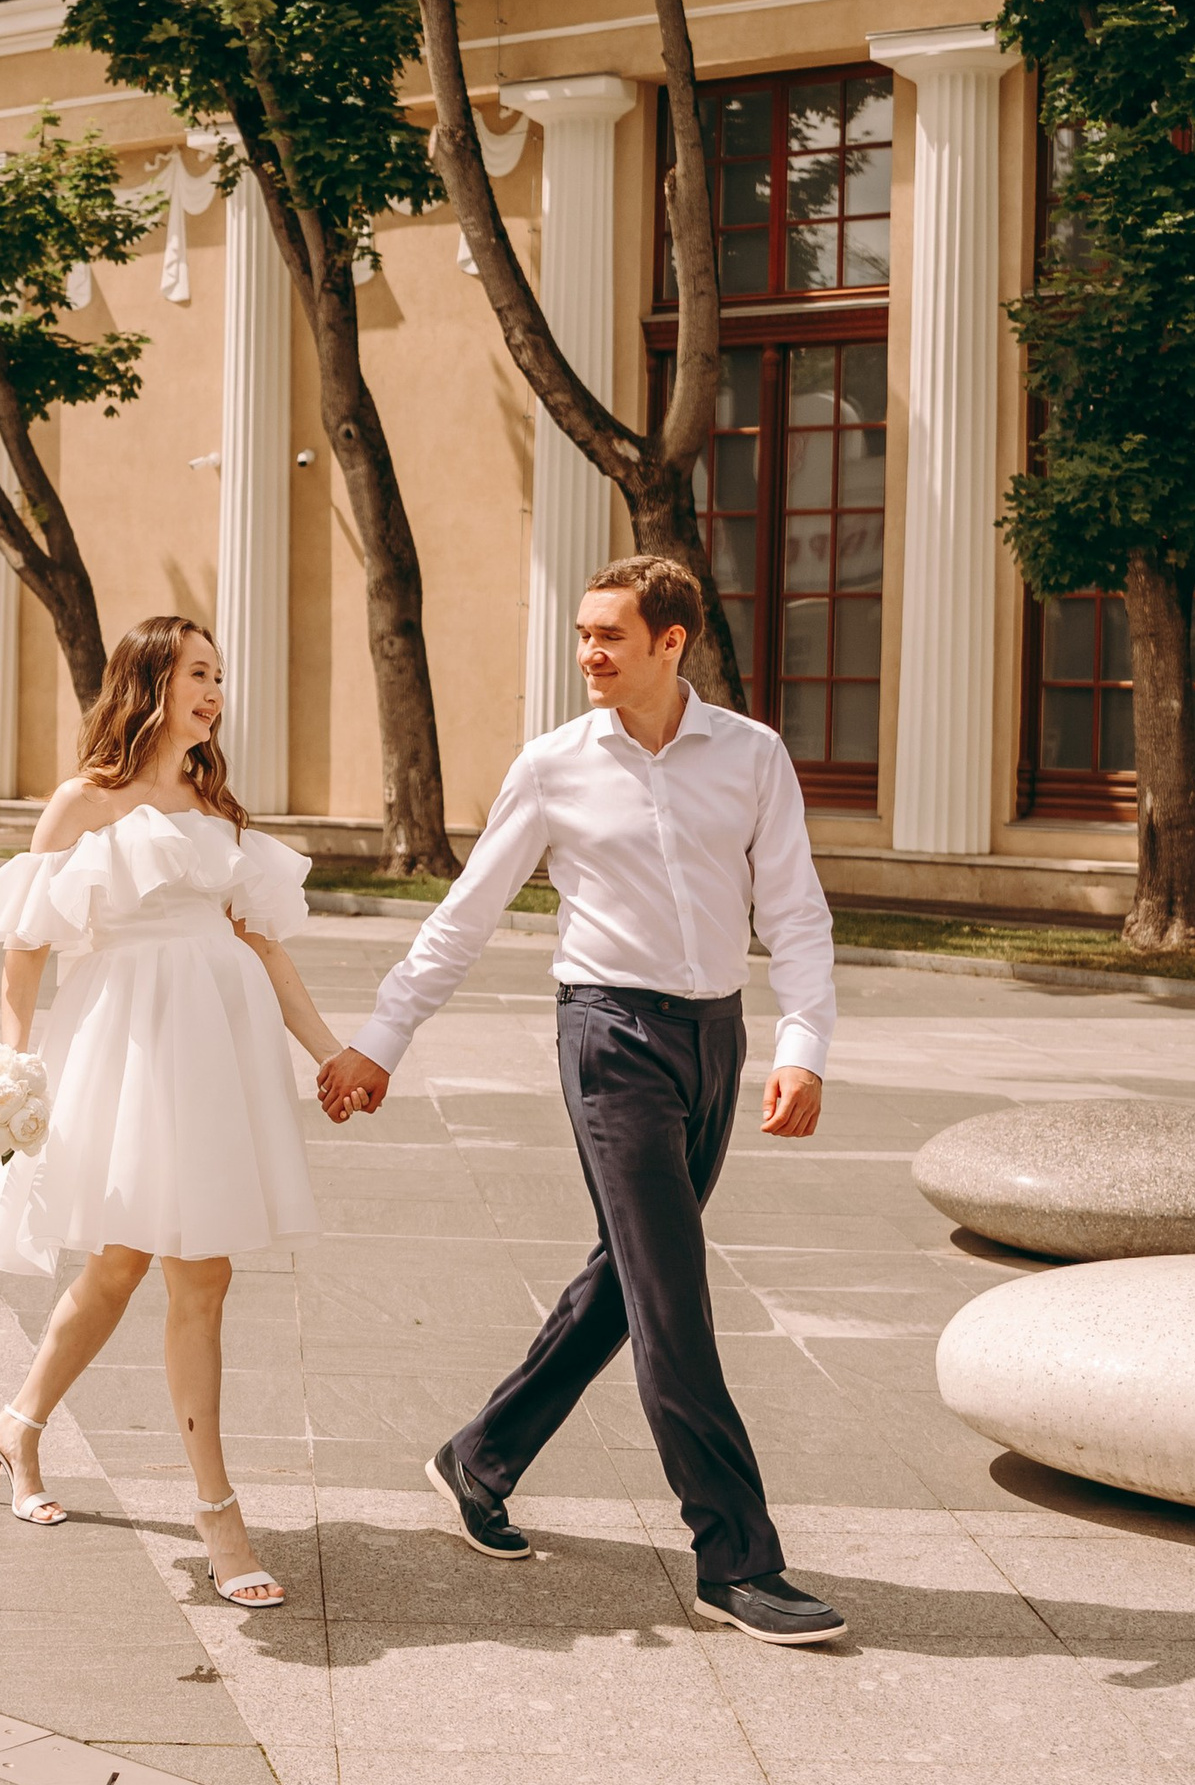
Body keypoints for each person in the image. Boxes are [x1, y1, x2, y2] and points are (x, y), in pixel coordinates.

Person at [317, 553, 847, 1647]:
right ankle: (734, 1556)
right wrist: (381, 1039)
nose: (588, 654)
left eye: (610, 635)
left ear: (672, 642)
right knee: (672, 1293)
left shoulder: (750, 756)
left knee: (629, 1275)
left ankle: (480, 1455)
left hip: (715, 1037)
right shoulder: (553, 765)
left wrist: (803, 1043)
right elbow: (464, 915)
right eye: (581, 633)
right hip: (608, 1036)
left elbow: (794, 908)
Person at [0, 613, 343, 1608]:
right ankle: (216, 1516)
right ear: (149, 686)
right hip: (128, 1049)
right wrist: (12, 1069)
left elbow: (264, 947)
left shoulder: (218, 811)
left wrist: (333, 1053)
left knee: (188, 1272)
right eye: (196, 675)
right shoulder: (86, 804)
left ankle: (21, 1425)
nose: (214, 693)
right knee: (128, 1262)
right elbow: (25, 953)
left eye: (219, 675)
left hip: (217, 1050)